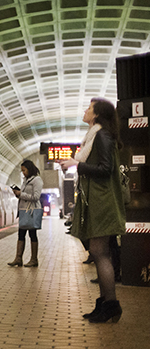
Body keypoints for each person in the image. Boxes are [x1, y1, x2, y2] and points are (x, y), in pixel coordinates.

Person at [60, 98, 126, 323]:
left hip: (103, 202)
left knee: (99, 252)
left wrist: (76, 165)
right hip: (97, 201)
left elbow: (106, 169)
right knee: (99, 253)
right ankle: (105, 302)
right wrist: (74, 164)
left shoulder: (103, 136)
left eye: (89, 108)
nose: (85, 111)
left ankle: (111, 305)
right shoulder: (94, 136)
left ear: (97, 115)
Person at [8, 160, 43, 267]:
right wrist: (18, 194)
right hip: (23, 211)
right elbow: (24, 195)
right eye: (22, 170)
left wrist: (21, 194)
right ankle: (18, 258)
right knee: (21, 234)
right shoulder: (25, 180)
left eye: (24, 170)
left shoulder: (37, 180)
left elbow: (36, 197)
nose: (23, 172)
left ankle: (34, 259)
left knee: (33, 235)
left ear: (29, 169)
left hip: (32, 211)